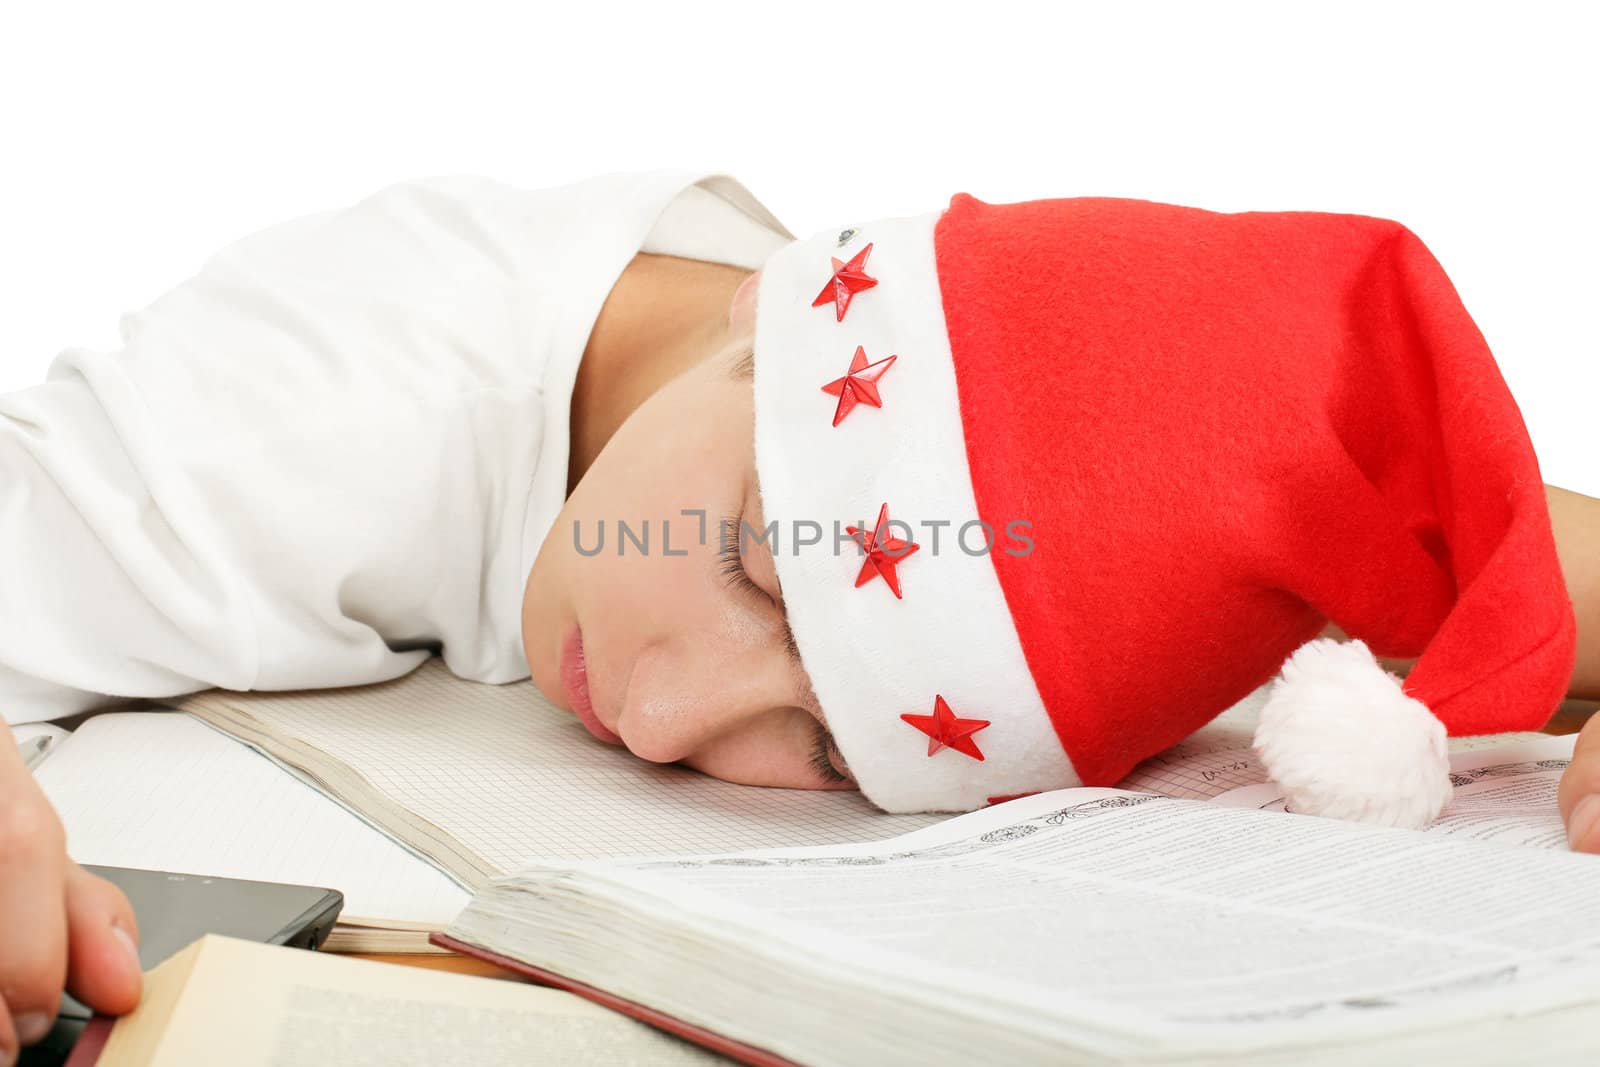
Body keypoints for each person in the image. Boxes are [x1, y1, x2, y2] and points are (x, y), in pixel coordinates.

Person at [1, 172, 1598, 1056]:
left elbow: (1469, 524)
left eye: (827, 748)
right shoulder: (298, 425)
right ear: (764, 327)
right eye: (761, 564)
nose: (670, 708)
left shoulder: (848, 390)